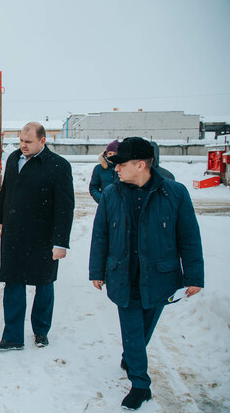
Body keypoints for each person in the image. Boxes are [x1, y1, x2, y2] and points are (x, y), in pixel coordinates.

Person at [89, 137, 204, 410]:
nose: (115, 170)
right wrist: (97, 270)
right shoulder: (111, 194)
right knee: (131, 328)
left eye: (121, 164)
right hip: (123, 276)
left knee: (144, 329)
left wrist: (195, 276)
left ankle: (132, 355)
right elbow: (101, 235)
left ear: (141, 165)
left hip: (160, 277)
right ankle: (140, 385)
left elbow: (189, 237)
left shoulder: (175, 193)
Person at [0, 122, 74, 351]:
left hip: (43, 236)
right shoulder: (14, 159)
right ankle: (13, 337)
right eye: (21, 141)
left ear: (42, 141)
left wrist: (61, 242)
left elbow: (65, 207)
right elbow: (6, 190)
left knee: (44, 284)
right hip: (14, 234)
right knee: (13, 283)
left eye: (28, 142)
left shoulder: (58, 166)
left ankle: (41, 331)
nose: (23, 146)